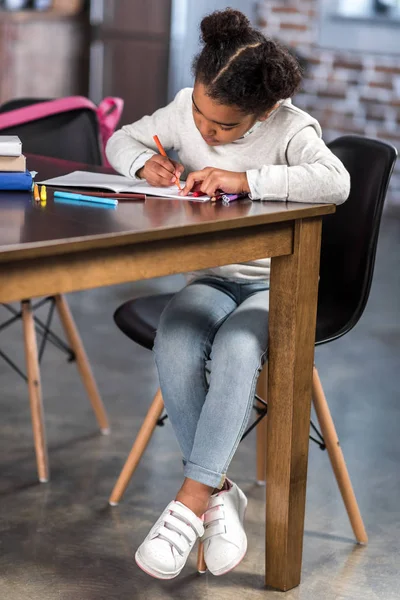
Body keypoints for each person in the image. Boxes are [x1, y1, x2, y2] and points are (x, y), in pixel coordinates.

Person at [106, 8, 350, 581]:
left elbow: (336, 180)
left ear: (262, 112)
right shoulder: (187, 112)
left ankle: (192, 501)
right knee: (176, 335)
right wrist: (146, 164)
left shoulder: (291, 128)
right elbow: (121, 138)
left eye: (224, 128)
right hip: (212, 277)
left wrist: (248, 180)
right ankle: (221, 494)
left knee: (239, 348)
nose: (206, 133)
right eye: (199, 114)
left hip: (280, 282)